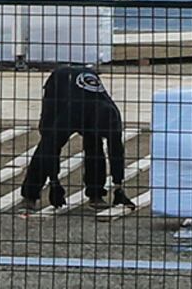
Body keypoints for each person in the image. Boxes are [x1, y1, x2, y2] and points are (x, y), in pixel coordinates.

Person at [18, 63, 131, 210]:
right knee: (48, 139)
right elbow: (50, 146)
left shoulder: (113, 117)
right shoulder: (71, 114)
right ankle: (30, 194)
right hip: (60, 87)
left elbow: (116, 153)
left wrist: (118, 187)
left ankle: (95, 193)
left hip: (88, 103)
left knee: (95, 148)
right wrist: (55, 183)